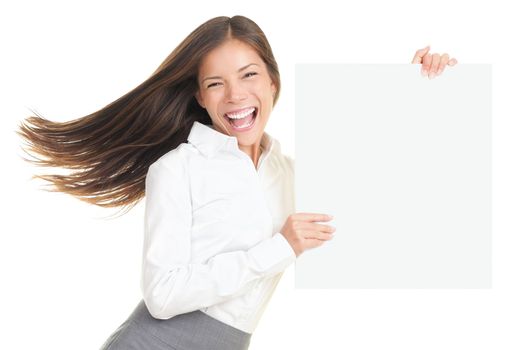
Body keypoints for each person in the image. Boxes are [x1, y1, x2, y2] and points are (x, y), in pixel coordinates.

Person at [17, 15, 457, 350]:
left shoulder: (287, 172)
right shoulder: (176, 169)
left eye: (249, 75)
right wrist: (279, 247)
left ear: (272, 81)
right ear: (201, 97)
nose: (236, 95)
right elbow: (162, 294)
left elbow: (376, 172)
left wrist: (417, 83)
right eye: (215, 83)